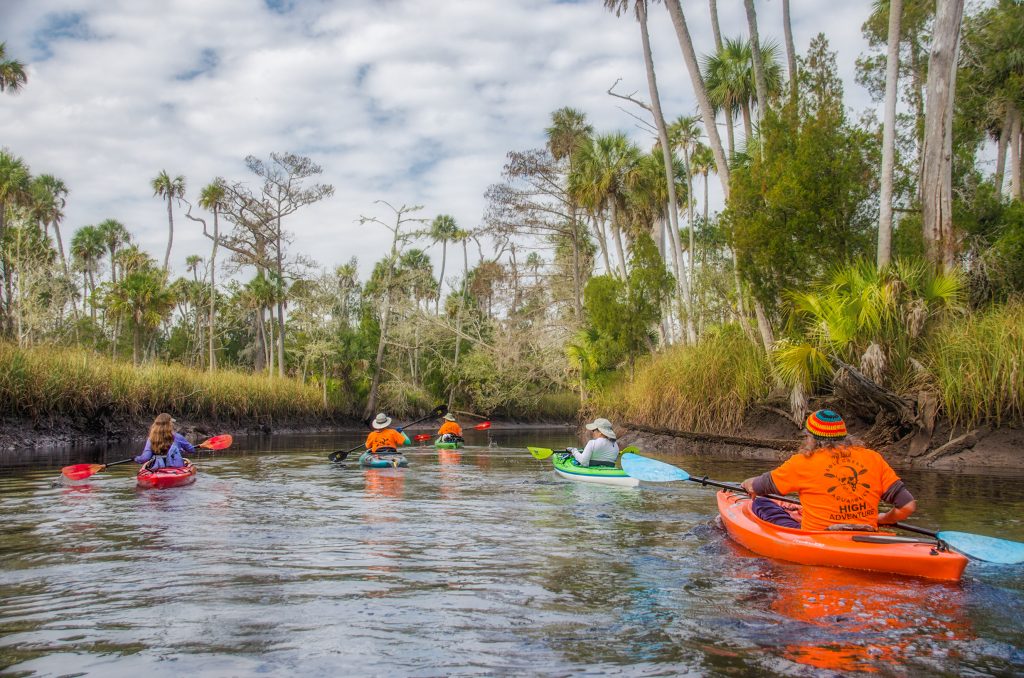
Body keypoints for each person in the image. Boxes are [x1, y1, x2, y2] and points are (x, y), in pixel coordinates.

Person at [740, 409, 916, 531]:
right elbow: (908, 506)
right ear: (845, 436)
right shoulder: (872, 458)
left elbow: (759, 487)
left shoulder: (802, 462)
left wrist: (748, 483)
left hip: (818, 536)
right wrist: (883, 519)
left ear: (811, 438)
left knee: (760, 503)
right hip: (865, 532)